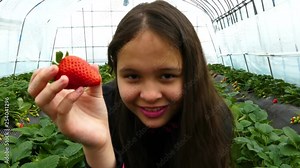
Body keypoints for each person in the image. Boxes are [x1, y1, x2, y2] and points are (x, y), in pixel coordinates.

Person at [28, 1, 233, 168]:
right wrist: (99, 147)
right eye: (133, 76)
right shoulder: (104, 108)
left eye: (167, 75)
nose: (150, 95)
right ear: (115, 72)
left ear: (191, 72)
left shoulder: (214, 118)